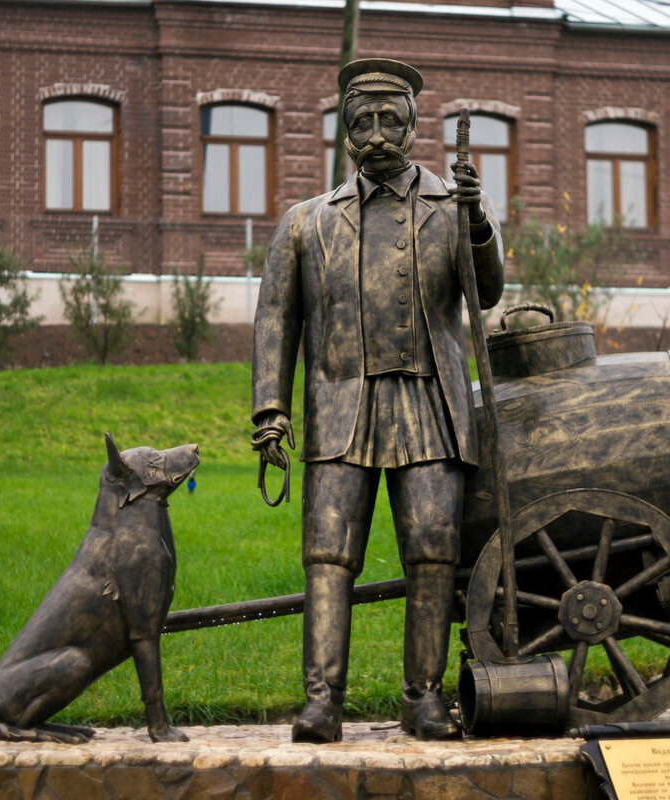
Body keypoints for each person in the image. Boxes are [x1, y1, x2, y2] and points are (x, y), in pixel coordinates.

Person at [250, 57, 504, 742]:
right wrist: (269, 410)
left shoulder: (452, 210)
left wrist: (477, 220)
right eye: (361, 122)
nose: (376, 134)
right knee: (328, 555)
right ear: (344, 132)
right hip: (341, 407)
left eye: (390, 120)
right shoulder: (306, 223)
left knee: (431, 550)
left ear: (415, 126)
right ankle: (321, 701)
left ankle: (422, 698)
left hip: (429, 401)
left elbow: (487, 293)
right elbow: (276, 318)